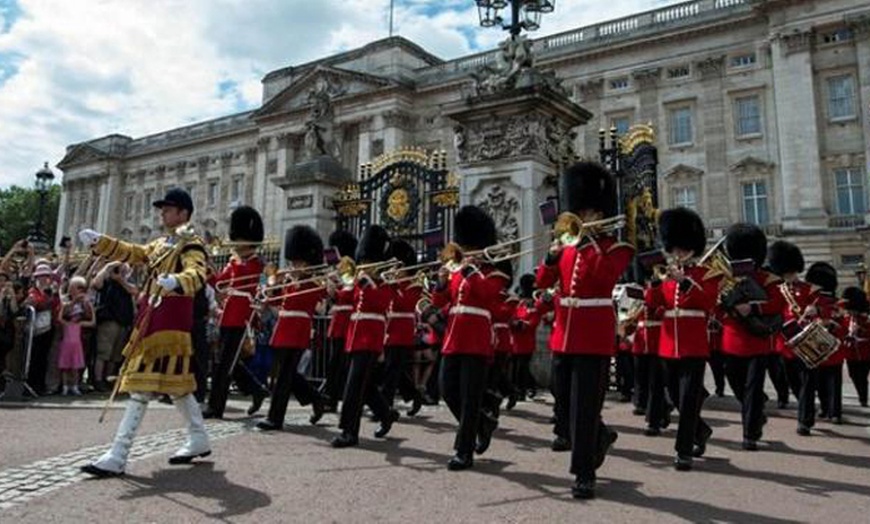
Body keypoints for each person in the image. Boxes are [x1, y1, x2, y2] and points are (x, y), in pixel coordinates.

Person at [78, 188, 212, 477]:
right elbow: (134, 252)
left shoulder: (191, 243)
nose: (162, 214)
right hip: (153, 318)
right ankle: (199, 437)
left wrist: (177, 280)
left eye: (168, 209)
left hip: (169, 323)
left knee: (140, 388)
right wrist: (102, 242)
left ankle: (118, 454)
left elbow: (198, 273)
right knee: (177, 387)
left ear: (183, 214)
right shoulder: (162, 242)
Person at [535, 162, 634, 499]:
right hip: (564, 331)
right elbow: (542, 282)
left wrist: (587, 242)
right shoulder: (566, 248)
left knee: (584, 406)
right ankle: (600, 436)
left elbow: (603, 277)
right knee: (562, 398)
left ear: (601, 212)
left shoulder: (616, 249)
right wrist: (550, 257)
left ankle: (584, 472)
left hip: (592, 334)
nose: (582, 217)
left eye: (588, 212)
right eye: (578, 211)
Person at [430, 206, 505, 470]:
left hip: (476, 338)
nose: (466, 252)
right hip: (453, 337)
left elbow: (488, 298)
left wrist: (472, 272)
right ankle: (481, 424)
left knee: (470, 396)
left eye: (470, 247)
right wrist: (440, 283)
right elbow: (443, 300)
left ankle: (464, 451)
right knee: (447, 388)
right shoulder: (456, 272)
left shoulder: (494, 274)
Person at [648, 207, 720, 471]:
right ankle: (700, 431)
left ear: (692, 247)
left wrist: (686, 282)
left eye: (682, 248)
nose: (677, 253)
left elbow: (707, 302)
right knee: (677, 399)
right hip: (668, 344)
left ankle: (683, 451)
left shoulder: (707, 274)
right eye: (674, 248)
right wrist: (654, 284)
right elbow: (654, 303)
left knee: (689, 399)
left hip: (693, 344)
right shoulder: (668, 275)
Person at [331, 225, 399, 448]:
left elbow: (381, 303)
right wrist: (334, 290)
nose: (365, 264)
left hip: (370, 334)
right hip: (355, 333)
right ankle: (385, 413)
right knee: (364, 383)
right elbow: (349, 299)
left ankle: (349, 431)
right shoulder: (361, 279)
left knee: (354, 385)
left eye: (369, 260)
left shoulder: (387, 280)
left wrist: (366, 282)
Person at [720, 223, 784, 451]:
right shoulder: (725, 277)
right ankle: (756, 411)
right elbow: (715, 307)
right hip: (732, 339)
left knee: (752, 388)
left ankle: (750, 434)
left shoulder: (768, 279)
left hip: (757, 342)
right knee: (737, 384)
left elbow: (778, 304)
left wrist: (754, 309)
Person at [257, 226, 327, 431]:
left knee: (284, 375)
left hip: (298, 330)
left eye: (298, 263)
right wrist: (268, 294)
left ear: (307, 263)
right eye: (293, 262)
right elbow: (278, 304)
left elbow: (319, 308)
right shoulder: (286, 280)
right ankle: (316, 397)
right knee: (286, 373)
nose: (293, 266)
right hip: (283, 329)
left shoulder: (314, 283)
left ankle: (275, 418)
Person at [205, 206, 266, 419]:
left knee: (225, 363)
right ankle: (257, 389)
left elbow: (252, 283)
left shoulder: (258, 264)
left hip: (242, 316)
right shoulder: (234, 262)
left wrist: (236, 264)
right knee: (223, 359)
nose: (236, 243)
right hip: (227, 314)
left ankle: (216, 407)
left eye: (240, 239)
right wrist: (209, 271)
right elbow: (220, 284)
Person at [381, 239, 424, 416]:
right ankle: (414, 394)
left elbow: (403, 304)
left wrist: (391, 286)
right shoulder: (394, 284)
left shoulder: (414, 285)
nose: (395, 271)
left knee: (392, 368)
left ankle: (385, 406)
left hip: (403, 331)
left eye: (399, 267)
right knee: (394, 369)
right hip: (390, 329)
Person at [322, 230, 358, 411]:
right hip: (338, 322)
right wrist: (331, 287)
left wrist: (338, 285)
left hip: (349, 322)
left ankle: (339, 396)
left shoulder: (353, 272)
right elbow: (335, 298)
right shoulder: (340, 271)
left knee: (344, 363)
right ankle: (332, 397)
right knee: (334, 362)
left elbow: (351, 296)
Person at [91, 261, 136, 392]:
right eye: (118, 269)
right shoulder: (106, 282)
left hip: (123, 322)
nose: (120, 271)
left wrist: (121, 279)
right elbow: (95, 284)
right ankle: (98, 380)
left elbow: (133, 291)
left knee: (116, 355)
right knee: (103, 353)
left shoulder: (126, 282)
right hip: (109, 321)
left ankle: (108, 379)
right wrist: (107, 267)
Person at [24, 263, 59, 396]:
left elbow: (56, 306)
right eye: (40, 276)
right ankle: (32, 384)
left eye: (46, 276)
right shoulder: (33, 291)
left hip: (49, 328)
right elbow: (39, 304)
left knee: (44, 358)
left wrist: (54, 295)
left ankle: (40, 385)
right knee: (34, 357)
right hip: (35, 329)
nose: (43, 279)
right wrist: (47, 295)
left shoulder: (52, 290)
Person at [57, 276, 95, 396]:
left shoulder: (86, 302)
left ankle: (75, 386)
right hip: (66, 338)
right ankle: (65, 386)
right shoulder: (66, 300)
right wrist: (74, 301)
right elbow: (62, 314)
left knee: (76, 365)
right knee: (66, 365)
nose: (79, 290)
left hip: (81, 338)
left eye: (81, 288)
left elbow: (91, 321)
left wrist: (88, 305)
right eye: (76, 287)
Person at [842, 287, 870, 408]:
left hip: (865, 352)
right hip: (851, 353)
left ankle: (863, 398)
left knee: (862, 376)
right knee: (853, 375)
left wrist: (861, 329)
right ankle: (861, 394)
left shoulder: (866, 319)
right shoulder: (846, 319)